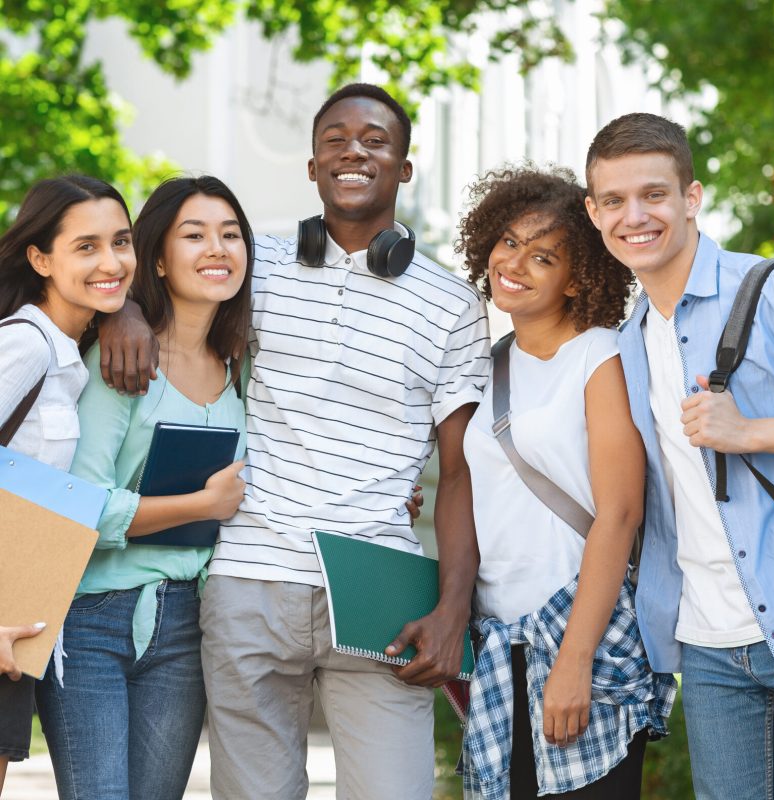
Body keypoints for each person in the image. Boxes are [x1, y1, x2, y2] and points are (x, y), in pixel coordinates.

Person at [97, 84, 491, 800]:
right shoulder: (256, 267)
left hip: (381, 591)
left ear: (404, 168)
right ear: (312, 167)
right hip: (249, 578)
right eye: (336, 139)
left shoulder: (453, 303)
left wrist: (453, 606)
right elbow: (164, 279)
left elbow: (460, 472)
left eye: (375, 140)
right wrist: (120, 310)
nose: (354, 151)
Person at [585, 112, 774, 800]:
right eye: (614, 201)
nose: (635, 215)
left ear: (692, 197)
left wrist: (751, 433)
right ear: (593, 212)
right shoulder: (626, 341)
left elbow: (738, 438)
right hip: (707, 645)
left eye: (654, 194)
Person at [456, 164, 675, 799]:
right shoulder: (489, 363)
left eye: (543, 256)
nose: (515, 262)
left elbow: (621, 514)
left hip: (580, 633)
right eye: (509, 242)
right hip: (499, 640)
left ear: (578, 276)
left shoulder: (599, 355)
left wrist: (574, 663)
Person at [35, 176, 251, 800]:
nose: (217, 248)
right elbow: (77, 509)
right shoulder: (121, 362)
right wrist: (201, 506)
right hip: (90, 619)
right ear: (157, 256)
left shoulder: (245, 370)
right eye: (195, 235)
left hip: (189, 621)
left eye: (231, 235)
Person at [0, 175, 135, 795]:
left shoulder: (73, 355)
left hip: (21, 625)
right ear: (40, 258)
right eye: (86, 247)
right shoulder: (23, 347)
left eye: (122, 242)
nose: (111, 263)